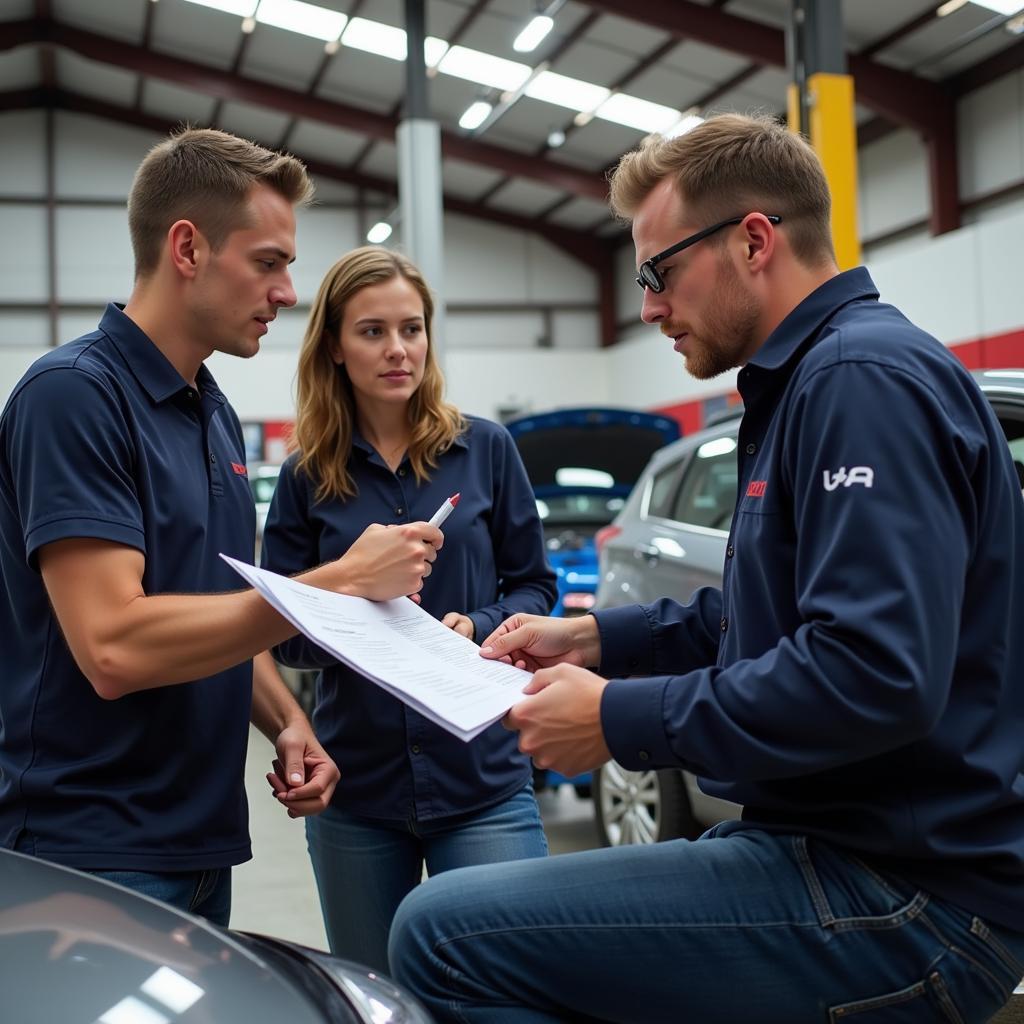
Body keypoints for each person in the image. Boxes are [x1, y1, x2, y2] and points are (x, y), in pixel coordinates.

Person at [387, 113, 1024, 1022]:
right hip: (837, 854)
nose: (648, 307)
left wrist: (617, 719)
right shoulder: (811, 383)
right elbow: (766, 618)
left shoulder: (857, 383)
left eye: (658, 273)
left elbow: (874, 673)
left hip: (903, 895)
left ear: (754, 240)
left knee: (441, 935)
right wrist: (596, 638)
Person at [0, 129, 441, 926]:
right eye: (268, 262)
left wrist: (286, 719)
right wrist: (336, 582)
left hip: (200, 843)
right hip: (90, 853)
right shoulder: (71, 397)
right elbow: (114, 645)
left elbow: (218, 604)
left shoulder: (211, 412)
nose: (286, 291)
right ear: (188, 248)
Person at [260, 246, 557, 971]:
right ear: (333, 344)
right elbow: (280, 635)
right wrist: (356, 591)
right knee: (375, 994)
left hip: (482, 778)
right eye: (372, 332)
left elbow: (536, 589)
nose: (398, 349)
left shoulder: (486, 449)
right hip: (357, 790)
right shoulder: (306, 477)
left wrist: (478, 626)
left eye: (412, 328)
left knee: (506, 990)